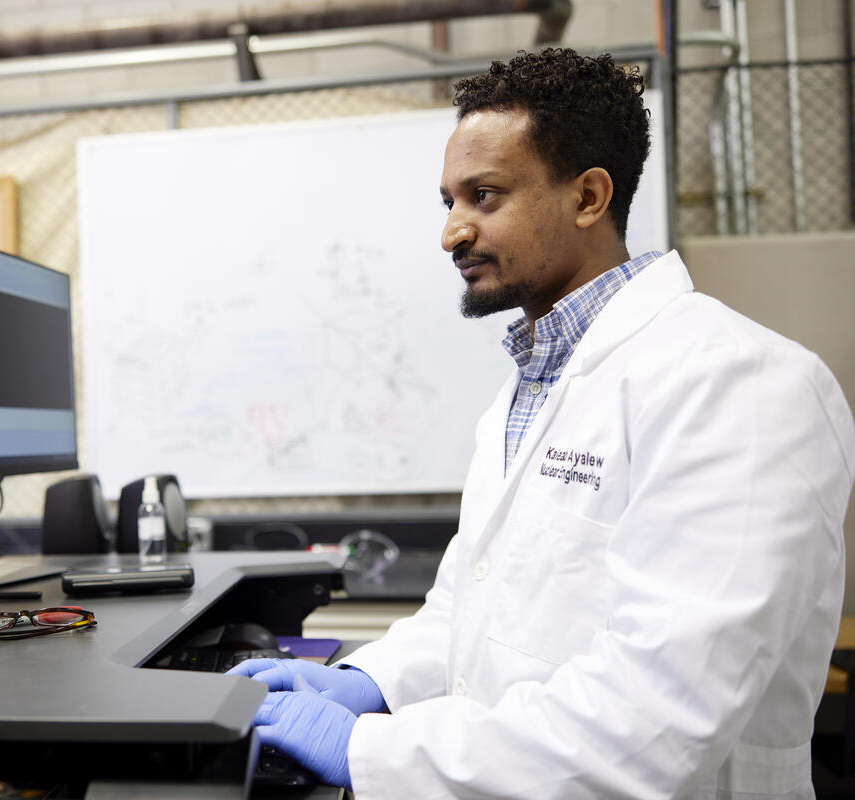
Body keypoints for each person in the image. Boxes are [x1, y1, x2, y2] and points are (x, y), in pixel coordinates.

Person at [231, 48, 855, 798]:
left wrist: (368, 749)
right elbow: (473, 609)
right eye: (448, 202)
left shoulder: (741, 384)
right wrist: (367, 681)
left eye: (484, 196)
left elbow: (654, 722)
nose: (451, 232)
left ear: (589, 196)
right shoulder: (526, 392)